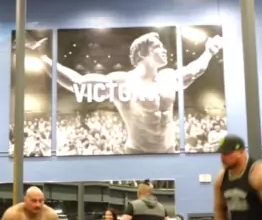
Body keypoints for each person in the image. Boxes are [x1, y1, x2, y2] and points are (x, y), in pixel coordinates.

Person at [29, 32, 222, 154]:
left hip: (169, 151)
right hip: (137, 153)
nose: (164, 50)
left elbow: (195, 70)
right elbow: (77, 82)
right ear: (142, 54)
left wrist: (209, 52)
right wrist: (42, 57)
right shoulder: (123, 82)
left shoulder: (169, 77)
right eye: (158, 47)